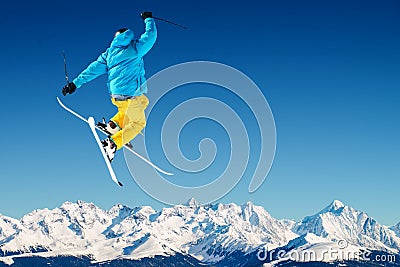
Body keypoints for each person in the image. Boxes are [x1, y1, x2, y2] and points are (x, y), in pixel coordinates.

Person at [62, 11, 157, 162]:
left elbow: (92, 70)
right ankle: (112, 144)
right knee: (139, 122)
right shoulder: (135, 48)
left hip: (117, 96)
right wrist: (148, 19)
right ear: (129, 35)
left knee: (144, 102)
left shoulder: (108, 54)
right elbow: (151, 36)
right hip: (130, 95)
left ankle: (113, 125)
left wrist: (75, 83)